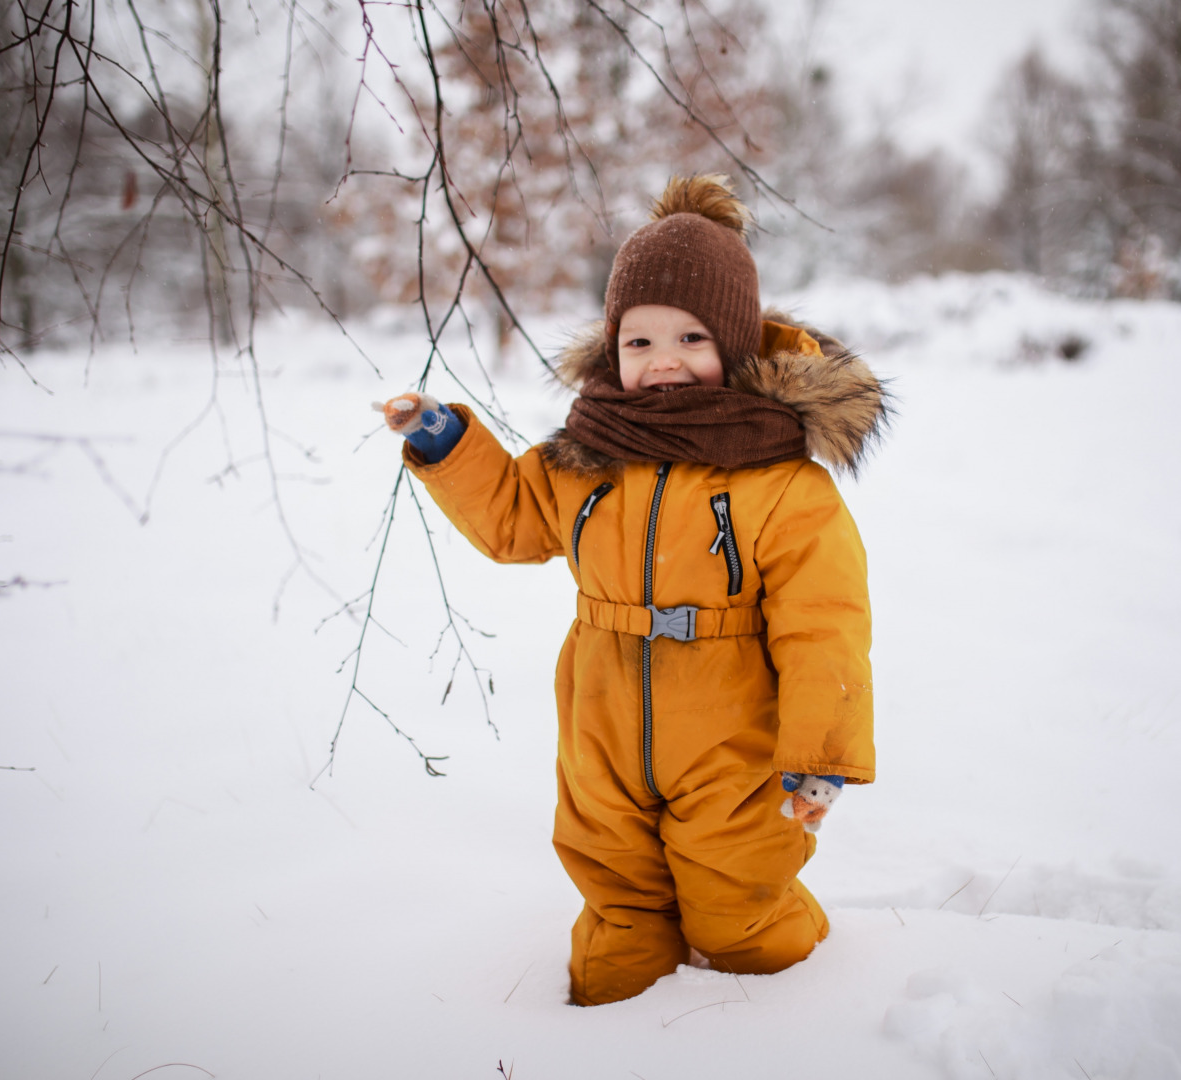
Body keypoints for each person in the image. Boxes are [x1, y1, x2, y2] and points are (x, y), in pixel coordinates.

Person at [375, 175, 886, 1006]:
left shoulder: (780, 481)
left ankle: (788, 1019)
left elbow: (824, 624)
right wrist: (447, 445)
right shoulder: (588, 454)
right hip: (602, 728)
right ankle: (604, 1031)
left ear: (736, 345)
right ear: (612, 348)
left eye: (690, 337)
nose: (663, 361)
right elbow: (512, 520)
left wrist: (819, 755)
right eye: (639, 342)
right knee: (616, 903)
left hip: (734, 745)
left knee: (737, 911)